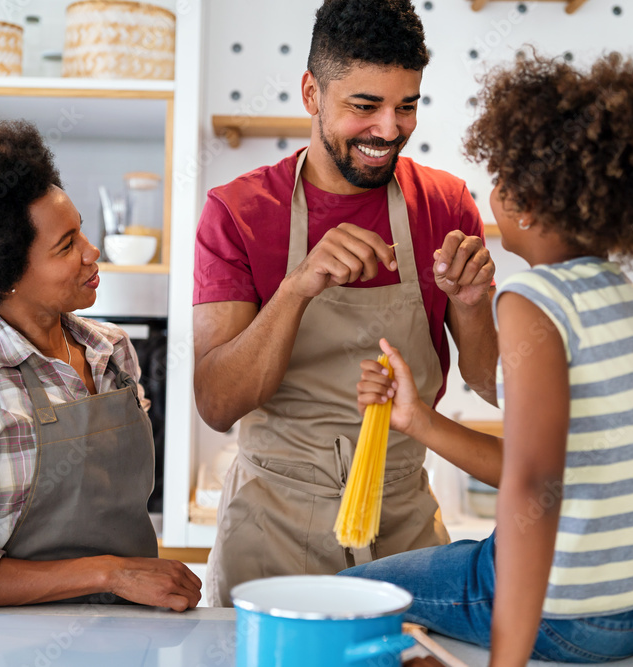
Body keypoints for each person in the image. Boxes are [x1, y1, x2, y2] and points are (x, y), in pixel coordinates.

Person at [342, 52, 633, 665]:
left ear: (526, 199)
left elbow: (532, 485)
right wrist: (416, 418)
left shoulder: (531, 297)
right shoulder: (616, 291)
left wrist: (506, 659)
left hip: (569, 611)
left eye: (501, 173)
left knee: (348, 598)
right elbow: (548, 466)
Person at [193, 0, 499, 607]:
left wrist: (468, 303)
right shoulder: (238, 212)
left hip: (404, 532)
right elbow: (218, 403)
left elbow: (492, 384)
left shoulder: (446, 204)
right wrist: (298, 286)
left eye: (407, 106)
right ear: (312, 93)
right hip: (271, 531)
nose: (389, 130)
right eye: (364, 106)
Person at [0, 121, 201, 611]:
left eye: (81, 228)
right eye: (66, 246)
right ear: (4, 272)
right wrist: (111, 573)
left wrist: (128, 581)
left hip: (134, 632)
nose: (92, 250)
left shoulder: (113, 352)